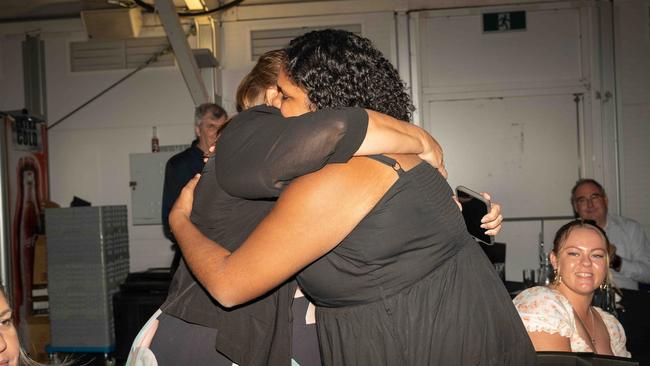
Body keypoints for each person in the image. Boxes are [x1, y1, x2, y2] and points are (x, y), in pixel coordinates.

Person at [172, 30, 534, 365]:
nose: (278, 108)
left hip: (410, 340)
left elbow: (230, 285)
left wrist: (181, 222)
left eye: (286, 96)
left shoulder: (339, 178)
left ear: (322, 105)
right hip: (468, 327)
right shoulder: (399, 151)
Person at [129, 49, 455, 366]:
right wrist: (425, 141)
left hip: (256, 328)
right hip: (217, 334)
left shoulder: (307, 166)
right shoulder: (258, 136)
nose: (272, 111)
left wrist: (454, 209)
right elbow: (341, 130)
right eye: (278, 98)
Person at [513, 220, 631, 357]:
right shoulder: (541, 305)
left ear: (606, 264)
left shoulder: (610, 325)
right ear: (554, 260)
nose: (586, 262)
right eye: (574, 253)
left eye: (597, 255)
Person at [161, 103, 228, 272]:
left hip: (227, 254)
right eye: (211, 126)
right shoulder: (179, 165)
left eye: (223, 127)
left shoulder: (231, 162)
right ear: (198, 130)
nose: (218, 132)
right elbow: (170, 220)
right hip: (190, 257)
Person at [571, 178, 650, 290]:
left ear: (606, 200)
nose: (590, 205)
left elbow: (648, 273)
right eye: (582, 200)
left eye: (595, 197)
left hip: (625, 299)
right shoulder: (568, 235)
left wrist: (617, 262)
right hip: (582, 298)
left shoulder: (630, 229)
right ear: (576, 208)